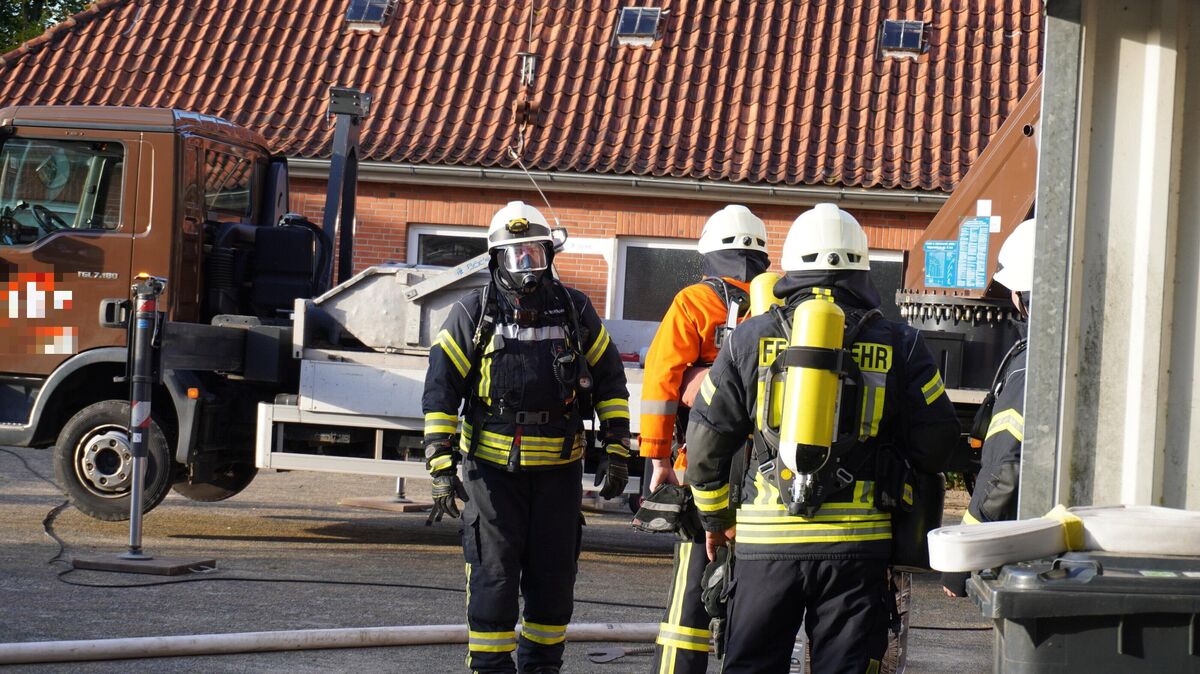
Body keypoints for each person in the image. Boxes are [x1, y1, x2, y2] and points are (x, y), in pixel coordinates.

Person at [684, 203, 960, 673]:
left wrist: (715, 521)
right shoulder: (903, 343)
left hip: (765, 548)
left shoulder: (748, 339)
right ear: (862, 266)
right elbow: (938, 446)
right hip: (857, 550)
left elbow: (707, 446)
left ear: (791, 265)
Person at [421, 201, 632, 674]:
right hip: (492, 478)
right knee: (494, 575)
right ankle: (492, 667)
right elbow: (440, 393)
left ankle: (542, 668)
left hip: (558, 476)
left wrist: (618, 449)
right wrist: (439, 465)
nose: (526, 267)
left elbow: (610, 382)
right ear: (495, 258)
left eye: (534, 254)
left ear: (548, 256)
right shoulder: (472, 313)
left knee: (553, 580)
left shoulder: (575, 310)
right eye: (515, 256)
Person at [637, 204, 770, 674]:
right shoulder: (780, 307)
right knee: (756, 589)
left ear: (709, 253)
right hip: (766, 473)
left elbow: (661, 381)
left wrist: (656, 458)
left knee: (691, 591)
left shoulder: (694, 302)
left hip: (704, 463)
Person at [942, 218, 1034, 597]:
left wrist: (966, 551)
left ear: (1020, 295)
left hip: (1033, 554)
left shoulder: (1031, 366)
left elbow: (1005, 469)